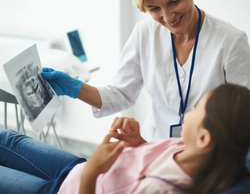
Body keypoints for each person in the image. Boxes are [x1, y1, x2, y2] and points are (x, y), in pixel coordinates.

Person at [41, 0, 250, 141]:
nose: (168, 17)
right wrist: (75, 89)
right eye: (154, 9)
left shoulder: (230, 41)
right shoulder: (145, 34)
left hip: (210, 153)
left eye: (174, 2)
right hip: (156, 145)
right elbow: (121, 93)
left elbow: (242, 116)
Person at [0, 83, 250, 194]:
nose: (189, 111)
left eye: (197, 108)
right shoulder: (185, 145)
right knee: (8, 139)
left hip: (69, 187)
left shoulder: (162, 190)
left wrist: (93, 172)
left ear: (205, 138)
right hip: (76, 168)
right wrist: (139, 143)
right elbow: (154, 161)